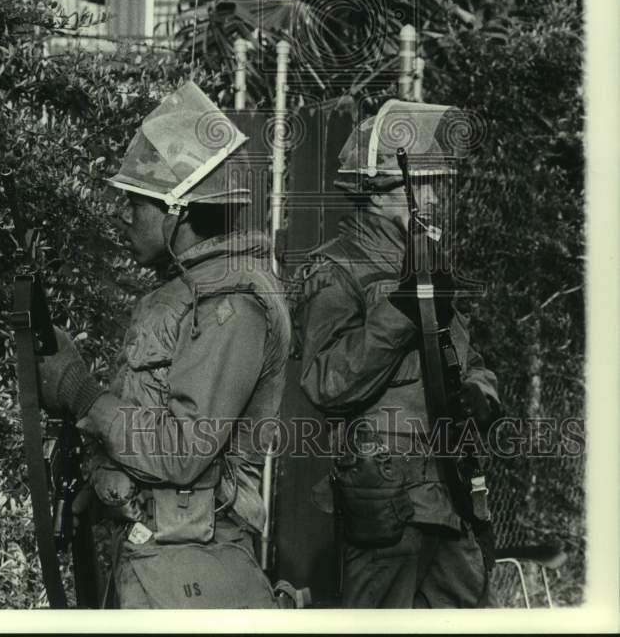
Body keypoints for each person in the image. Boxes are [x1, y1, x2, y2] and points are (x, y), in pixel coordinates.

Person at [35, 81, 291, 608]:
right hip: (162, 562)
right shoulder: (188, 293)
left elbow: (181, 453)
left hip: (196, 572)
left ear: (177, 211)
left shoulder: (232, 305)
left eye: (136, 200)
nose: (120, 213)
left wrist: (81, 394)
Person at [298, 99, 501, 608]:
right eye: (422, 184)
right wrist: (399, 311)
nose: (433, 198)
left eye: (436, 183)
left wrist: (480, 390)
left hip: (448, 493)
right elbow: (325, 382)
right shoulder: (337, 269)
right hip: (386, 505)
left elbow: (466, 359)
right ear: (376, 192)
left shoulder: (427, 264)